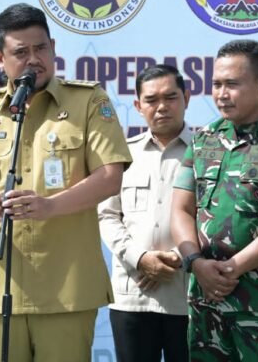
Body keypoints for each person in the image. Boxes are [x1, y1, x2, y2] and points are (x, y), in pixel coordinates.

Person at [0, 3, 132, 362]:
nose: (34, 59)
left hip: (66, 289)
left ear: (53, 48)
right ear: (0, 59)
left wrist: (50, 206)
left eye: (41, 48)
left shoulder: (88, 100)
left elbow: (110, 176)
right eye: (21, 52)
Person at [171, 40, 258, 361]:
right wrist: (195, 263)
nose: (221, 94)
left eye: (232, 84)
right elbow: (181, 209)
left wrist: (231, 268)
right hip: (206, 303)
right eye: (216, 84)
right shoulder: (203, 139)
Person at [98, 64, 191, 362]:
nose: (161, 107)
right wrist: (140, 259)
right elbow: (106, 216)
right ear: (138, 106)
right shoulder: (123, 155)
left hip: (187, 296)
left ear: (187, 98)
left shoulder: (207, 153)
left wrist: (178, 256)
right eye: (151, 100)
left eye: (171, 97)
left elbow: (213, 218)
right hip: (132, 296)